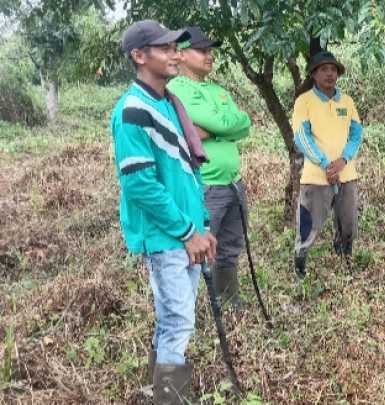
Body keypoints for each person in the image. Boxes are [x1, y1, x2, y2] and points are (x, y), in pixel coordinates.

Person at [110, 19, 215, 404]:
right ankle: (170, 399)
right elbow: (140, 185)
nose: (175, 55)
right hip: (165, 235)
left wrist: (202, 225)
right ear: (139, 56)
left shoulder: (168, 103)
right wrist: (189, 232)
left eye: (176, 47)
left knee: (175, 319)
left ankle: (159, 389)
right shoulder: (134, 110)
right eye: (166, 48)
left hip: (185, 230)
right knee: (178, 322)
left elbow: (187, 173)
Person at [168, 26, 252, 308]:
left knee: (229, 248)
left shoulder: (219, 90)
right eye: (201, 50)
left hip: (233, 183)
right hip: (206, 185)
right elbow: (226, 124)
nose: (209, 56)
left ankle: (228, 302)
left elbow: (243, 124)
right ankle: (187, 311)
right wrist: (222, 128)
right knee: (196, 250)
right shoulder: (178, 88)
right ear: (180, 55)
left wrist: (213, 130)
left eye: (210, 51)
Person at [290, 50, 363, 282]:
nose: (330, 74)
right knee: (308, 226)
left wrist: (343, 160)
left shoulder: (347, 101)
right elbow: (302, 136)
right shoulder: (304, 101)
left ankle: (345, 261)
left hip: (346, 174)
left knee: (348, 223)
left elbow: (356, 133)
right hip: (315, 176)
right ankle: (300, 270)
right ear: (313, 74)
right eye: (324, 69)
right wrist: (325, 164)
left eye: (333, 69)